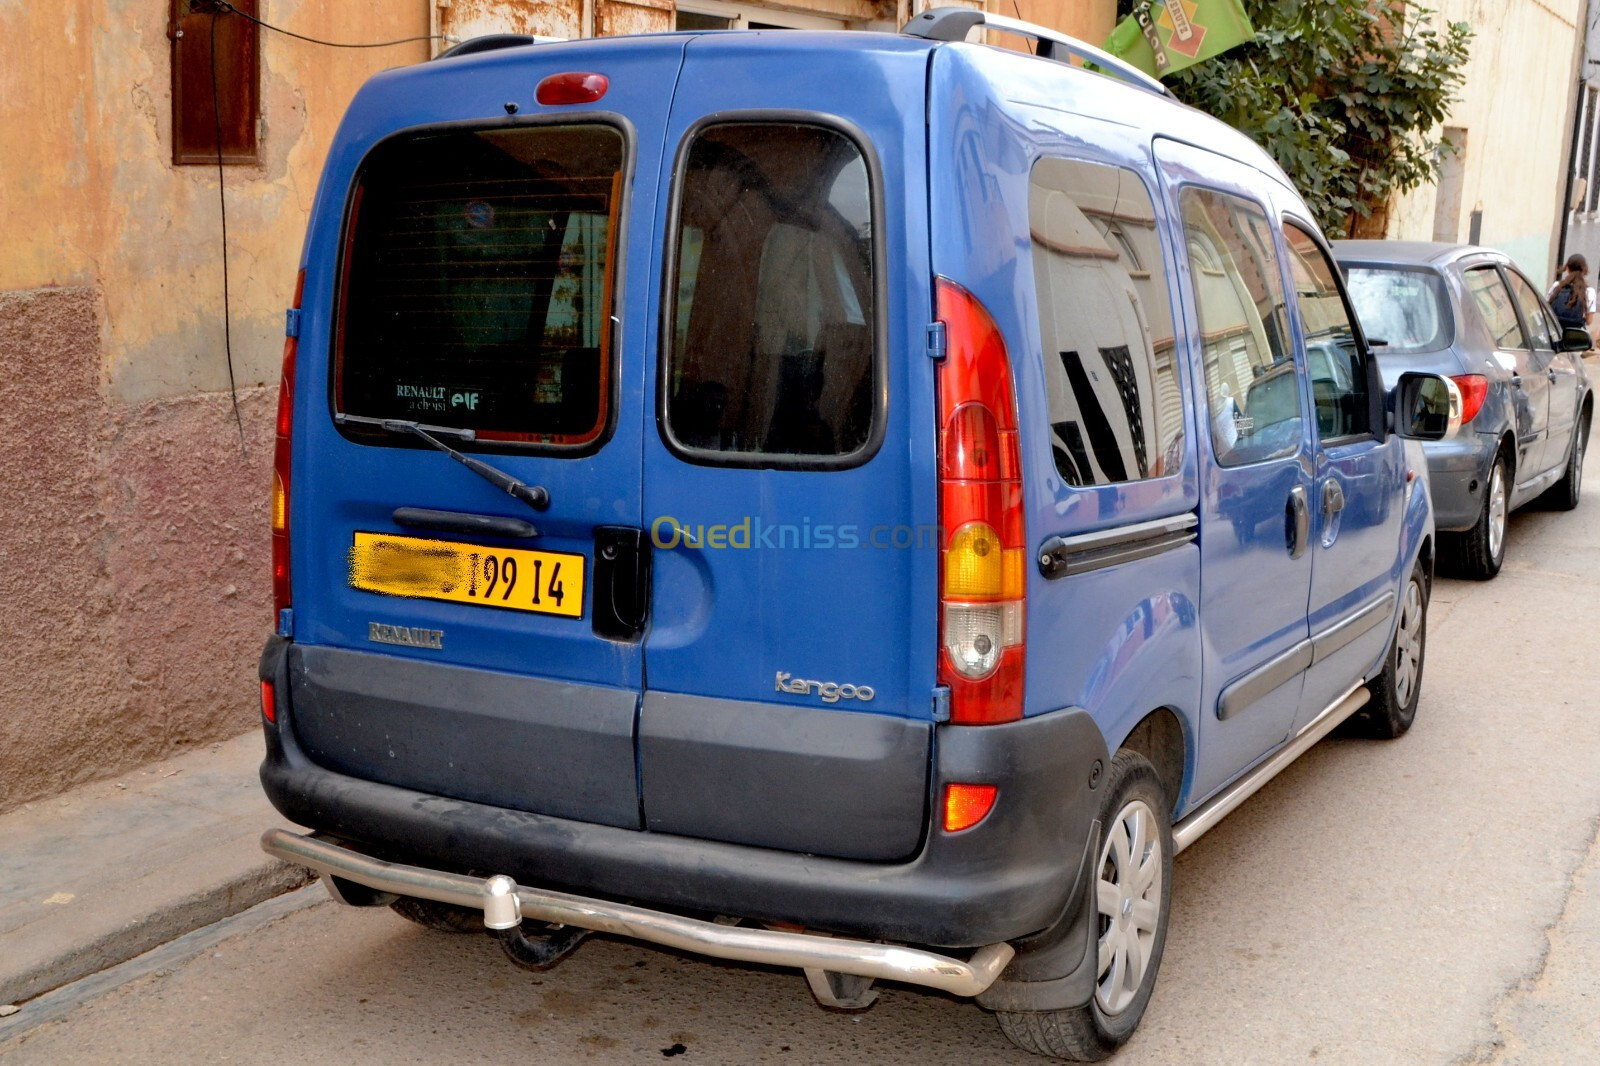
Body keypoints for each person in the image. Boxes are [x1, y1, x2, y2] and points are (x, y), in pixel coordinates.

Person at [1547, 254, 1596, 332]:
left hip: (1555, 332)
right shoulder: (1589, 292)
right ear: (1584, 270)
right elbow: (1589, 321)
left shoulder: (1556, 286)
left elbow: (1547, 309)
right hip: (1574, 337)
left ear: (1567, 269)